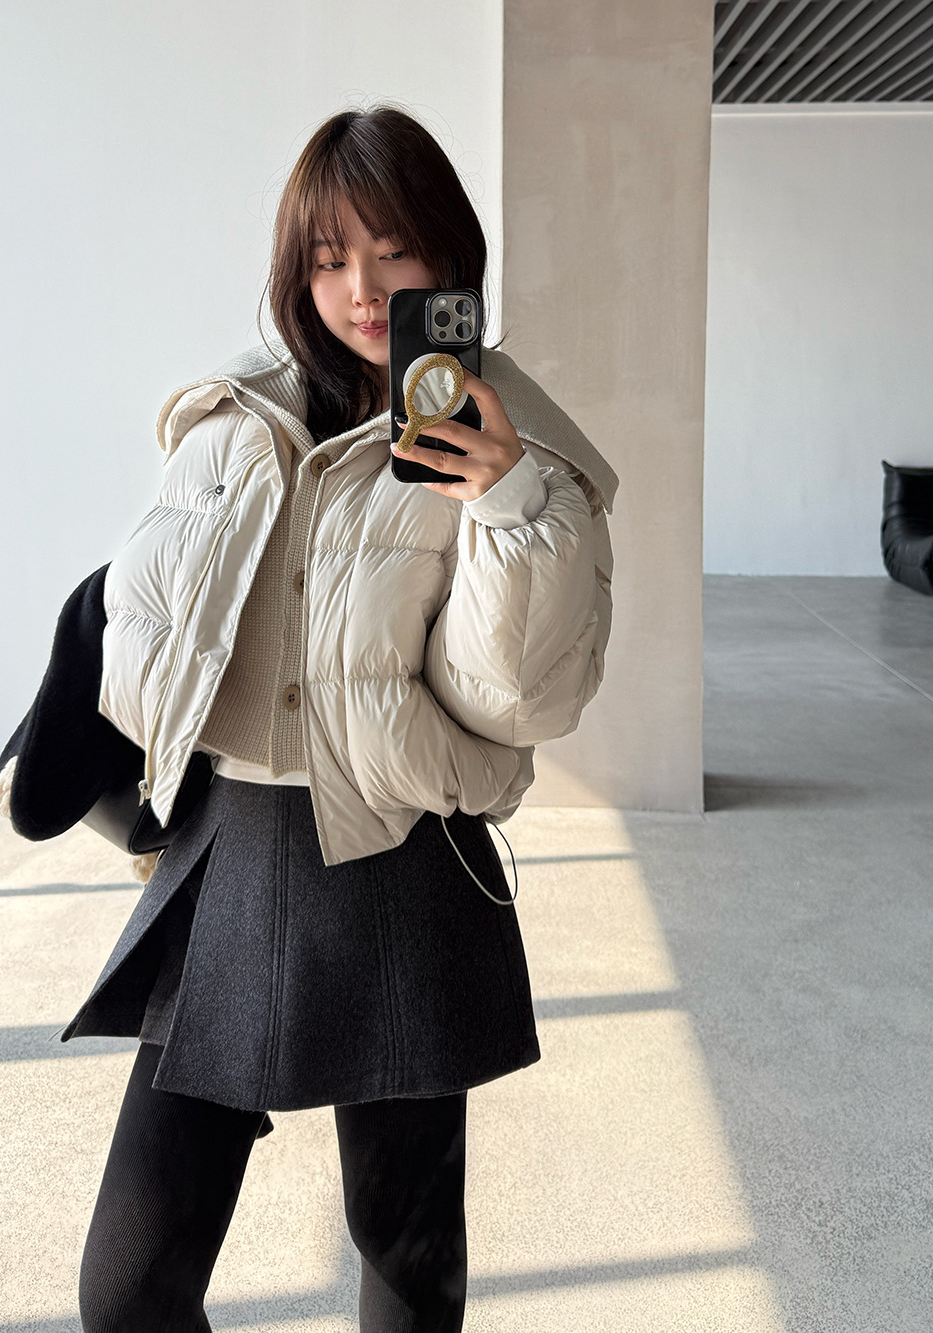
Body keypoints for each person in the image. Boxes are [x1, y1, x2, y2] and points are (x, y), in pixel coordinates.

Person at [63, 104, 618, 1332]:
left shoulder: (524, 450)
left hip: (401, 861)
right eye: (327, 257)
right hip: (231, 856)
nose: (361, 287)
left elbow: (518, 698)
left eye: (391, 248)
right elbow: (154, 616)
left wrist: (509, 504)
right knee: (130, 1284)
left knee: (408, 1272)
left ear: (448, 252)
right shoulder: (231, 417)